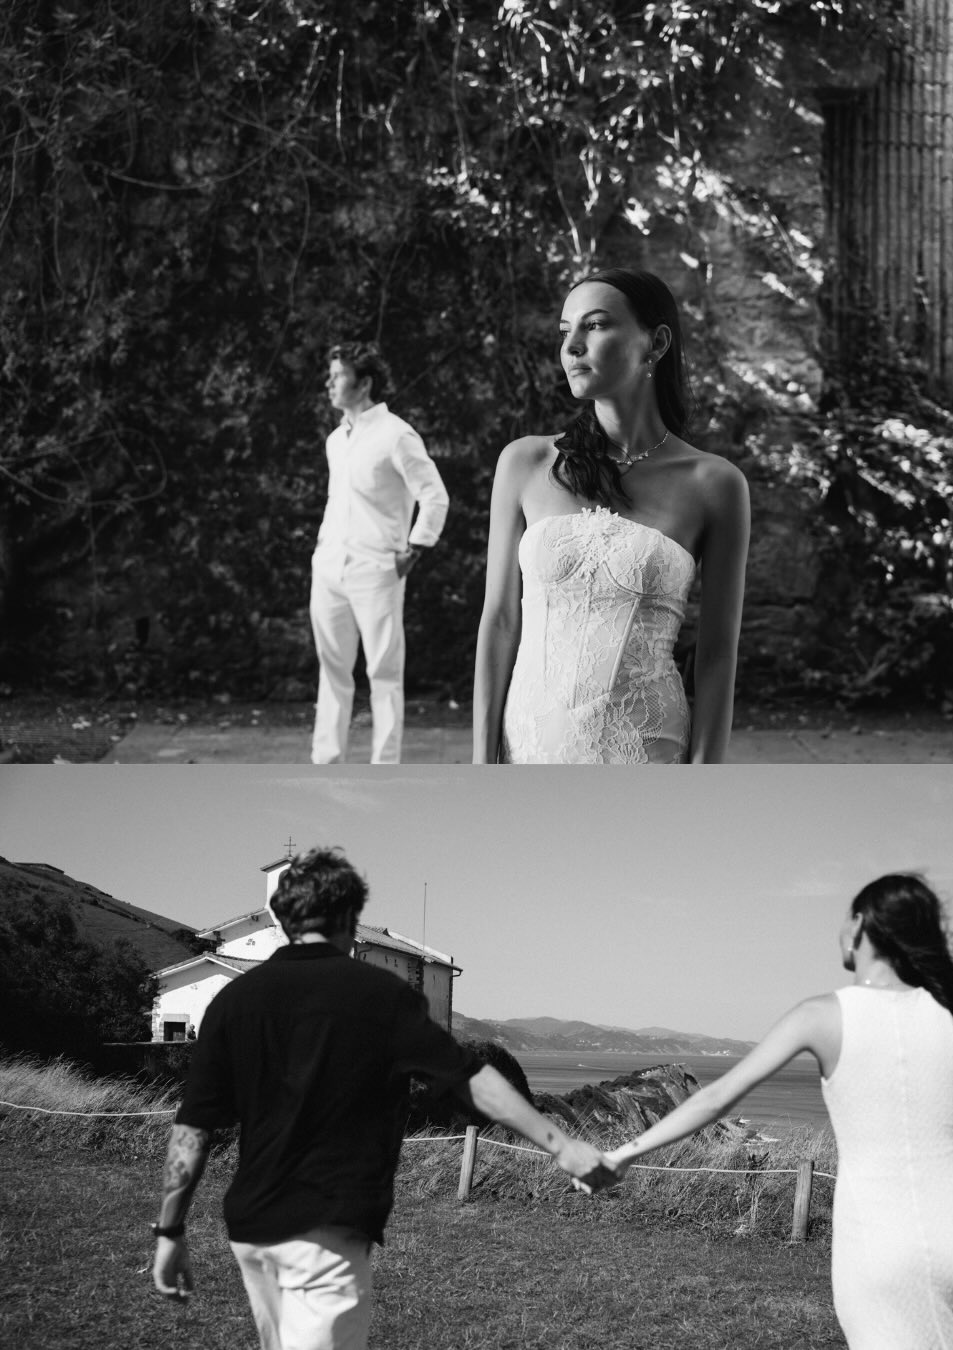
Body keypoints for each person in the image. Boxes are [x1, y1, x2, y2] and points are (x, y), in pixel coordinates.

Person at [150, 847, 612, 1349]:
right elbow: (467, 1077)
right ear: (352, 916)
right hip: (325, 1228)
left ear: (281, 920)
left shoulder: (231, 1002)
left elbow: (192, 1128)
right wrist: (563, 1146)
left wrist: (169, 1231)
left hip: (250, 1229)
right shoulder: (379, 995)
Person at [602, 874, 953, 1347]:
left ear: (859, 926)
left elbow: (716, 1098)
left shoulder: (822, 1014)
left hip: (876, 1234)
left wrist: (624, 1154)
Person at [473, 267, 750, 764]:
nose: (572, 345)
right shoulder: (525, 463)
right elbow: (498, 620)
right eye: (565, 331)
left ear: (656, 344)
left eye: (595, 325)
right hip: (528, 747)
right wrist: (480, 764)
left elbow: (715, 655)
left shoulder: (715, 484)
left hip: (645, 751)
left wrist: (707, 784)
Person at [310, 343, 449, 764]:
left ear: (364, 382)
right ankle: (325, 762)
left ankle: (383, 768)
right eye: (330, 375)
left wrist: (415, 549)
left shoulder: (396, 435)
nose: (329, 383)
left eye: (338, 375)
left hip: (378, 569)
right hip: (330, 567)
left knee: (383, 674)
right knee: (331, 671)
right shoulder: (337, 440)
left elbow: (435, 497)